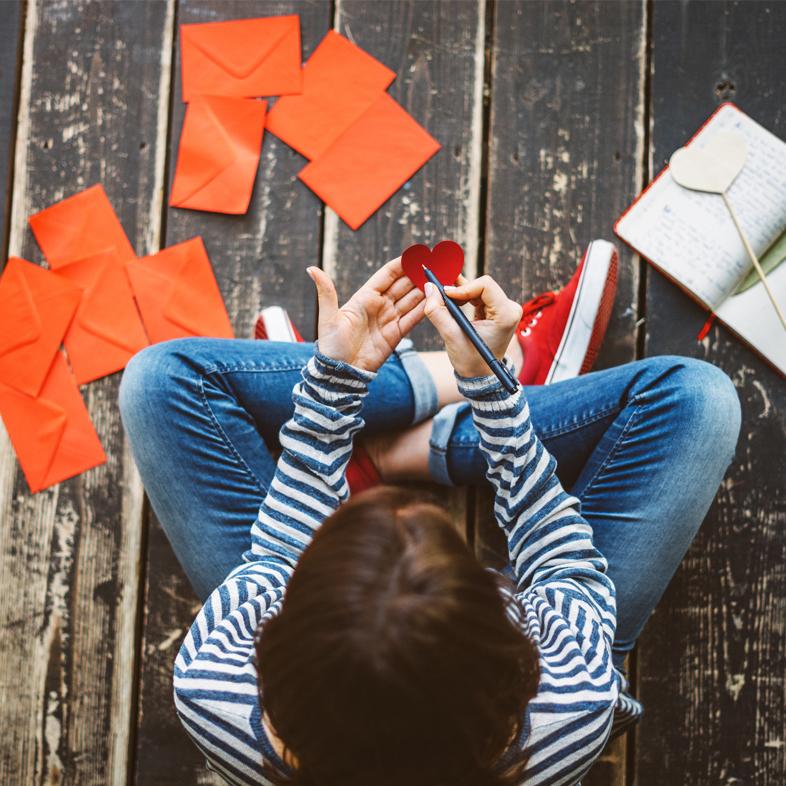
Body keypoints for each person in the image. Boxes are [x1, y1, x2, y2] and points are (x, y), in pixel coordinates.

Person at [119, 256, 741, 786]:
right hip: (552, 624)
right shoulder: (574, 701)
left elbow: (276, 557)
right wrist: (491, 387)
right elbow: (561, 566)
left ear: (277, 639)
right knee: (700, 398)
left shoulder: (213, 689)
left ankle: (406, 410)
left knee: (157, 381)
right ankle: (451, 412)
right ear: (507, 634)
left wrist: (336, 384)